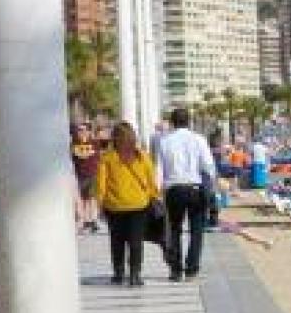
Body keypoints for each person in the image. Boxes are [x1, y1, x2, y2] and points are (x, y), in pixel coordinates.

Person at [153, 108, 217, 282]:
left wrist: (157, 191)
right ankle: (191, 269)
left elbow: (159, 168)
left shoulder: (164, 141)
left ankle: (175, 270)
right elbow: (208, 166)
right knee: (197, 230)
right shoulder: (199, 139)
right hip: (196, 188)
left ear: (172, 122)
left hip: (174, 189)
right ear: (189, 121)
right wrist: (212, 189)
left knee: (174, 230)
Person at [96, 121, 161, 286]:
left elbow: (101, 184)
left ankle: (118, 273)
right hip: (139, 205)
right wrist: (154, 196)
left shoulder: (107, 158)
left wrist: (100, 204)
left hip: (114, 206)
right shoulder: (142, 156)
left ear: (114, 138)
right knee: (136, 240)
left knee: (116, 240)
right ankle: (135, 274)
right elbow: (151, 180)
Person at [71, 124, 103, 235]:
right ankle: (84, 221)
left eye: (84, 130)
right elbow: (77, 156)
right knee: (83, 200)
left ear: (88, 131)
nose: (82, 132)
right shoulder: (74, 144)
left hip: (92, 174)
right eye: (79, 130)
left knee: (92, 198)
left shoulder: (94, 143)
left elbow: (97, 156)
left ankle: (93, 220)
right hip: (80, 175)